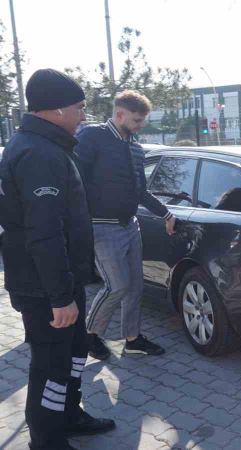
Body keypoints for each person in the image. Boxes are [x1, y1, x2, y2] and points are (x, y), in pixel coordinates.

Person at [0, 68, 115, 450]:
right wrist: (60, 297)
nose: (84, 115)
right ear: (55, 110)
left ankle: (69, 415)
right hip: (46, 289)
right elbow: (44, 234)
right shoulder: (37, 154)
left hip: (63, 281)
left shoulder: (49, 147)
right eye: (79, 107)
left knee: (74, 352)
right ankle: (48, 439)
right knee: (51, 365)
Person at [76, 90, 175, 360]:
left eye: (142, 120)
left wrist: (165, 213)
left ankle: (132, 339)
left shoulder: (135, 147)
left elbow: (140, 190)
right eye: (136, 120)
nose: (141, 125)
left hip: (131, 226)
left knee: (135, 287)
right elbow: (74, 180)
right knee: (116, 285)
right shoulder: (91, 137)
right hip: (102, 227)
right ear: (119, 114)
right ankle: (89, 335)